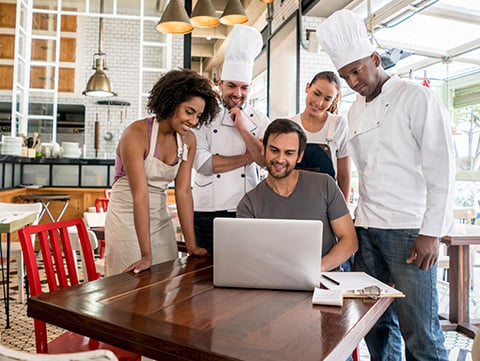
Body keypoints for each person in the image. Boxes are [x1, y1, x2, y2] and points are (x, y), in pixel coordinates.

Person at [317, 10, 455, 361]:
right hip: (367, 230)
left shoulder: (416, 97)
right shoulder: (354, 111)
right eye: (346, 75)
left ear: (375, 59)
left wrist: (431, 232)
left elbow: (442, 167)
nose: (352, 81)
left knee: (420, 330)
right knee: (376, 326)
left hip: (409, 230)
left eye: (357, 70)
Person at [105, 69, 220, 275]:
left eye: (198, 115)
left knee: (165, 281)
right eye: (189, 111)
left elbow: (183, 192)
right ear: (172, 101)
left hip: (159, 216)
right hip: (127, 215)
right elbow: (140, 195)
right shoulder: (136, 134)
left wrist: (191, 246)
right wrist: (146, 254)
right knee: (130, 288)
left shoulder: (188, 140)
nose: (193, 121)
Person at [237, 118, 358, 271]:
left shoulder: (325, 185)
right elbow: (249, 256)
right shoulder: (249, 204)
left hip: (325, 280)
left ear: (299, 156)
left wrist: (315, 269)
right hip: (273, 282)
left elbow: (349, 241)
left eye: (289, 153)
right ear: (263, 149)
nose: (280, 159)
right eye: (274, 150)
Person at [192, 25, 270, 255]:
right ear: (219, 82)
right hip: (208, 211)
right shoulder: (202, 116)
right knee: (205, 278)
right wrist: (250, 156)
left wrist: (243, 129)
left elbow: (266, 162)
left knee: (247, 270)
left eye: (244, 87)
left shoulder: (259, 119)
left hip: (247, 208)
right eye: (232, 86)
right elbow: (205, 165)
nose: (238, 93)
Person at [291, 71, 350, 200]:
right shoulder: (289, 124)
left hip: (327, 202)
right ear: (307, 87)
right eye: (316, 93)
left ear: (334, 100)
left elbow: (343, 175)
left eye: (327, 99)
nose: (319, 102)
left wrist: (343, 209)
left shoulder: (339, 124)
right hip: (291, 200)